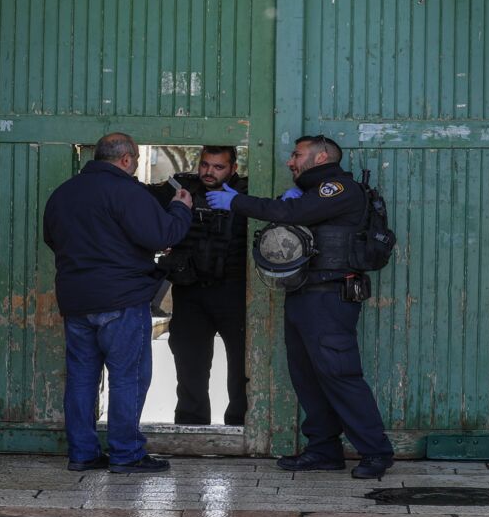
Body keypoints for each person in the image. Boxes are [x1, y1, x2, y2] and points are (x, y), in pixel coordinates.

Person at [206, 135, 395, 480]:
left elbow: (291, 213)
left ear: (321, 157)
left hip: (330, 296)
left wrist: (237, 203)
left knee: (339, 374)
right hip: (305, 294)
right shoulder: (313, 192)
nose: (291, 162)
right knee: (306, 377)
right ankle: (323, 449)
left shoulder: (338, 189)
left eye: (297, 155)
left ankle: (376, 452)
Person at [42, 132, 193, 474]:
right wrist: (179, 209)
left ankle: (82, 454)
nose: (135, 167)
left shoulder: (63, 194)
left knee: (82, 378)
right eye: (136, 161)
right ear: (126, 159)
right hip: (122, 300)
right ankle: (126, 453)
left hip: (77, 300)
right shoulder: (127, 191)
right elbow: (161, 235)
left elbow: (53, 239)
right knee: (128, 377)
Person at [148, 146, 249, 426]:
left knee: (242, 366)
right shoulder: (181, 188)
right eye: (205, 165)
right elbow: (136, 200)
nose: (209, 172)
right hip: (190, 292)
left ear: (233, 168)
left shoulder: (248, 194)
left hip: (234, 293)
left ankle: (240, 425)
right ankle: (191, 424)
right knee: (190, 363)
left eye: (218, 167)